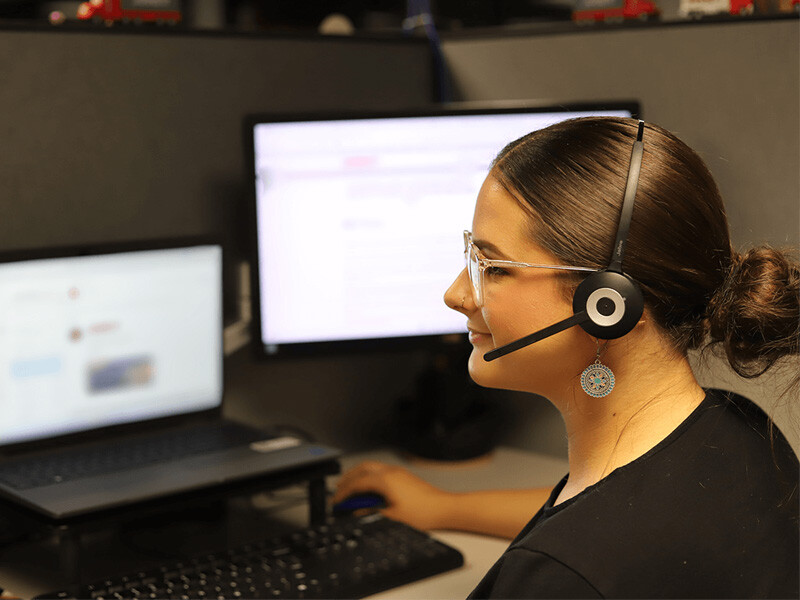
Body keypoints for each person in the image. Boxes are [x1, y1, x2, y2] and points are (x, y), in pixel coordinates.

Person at [333, 117, 800, 598]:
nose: (456, 295)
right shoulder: (737, 428)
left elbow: (588, 544)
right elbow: (606, 509)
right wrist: (445, 508)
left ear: (609, 305)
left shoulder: (562, 577)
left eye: (493, 268)